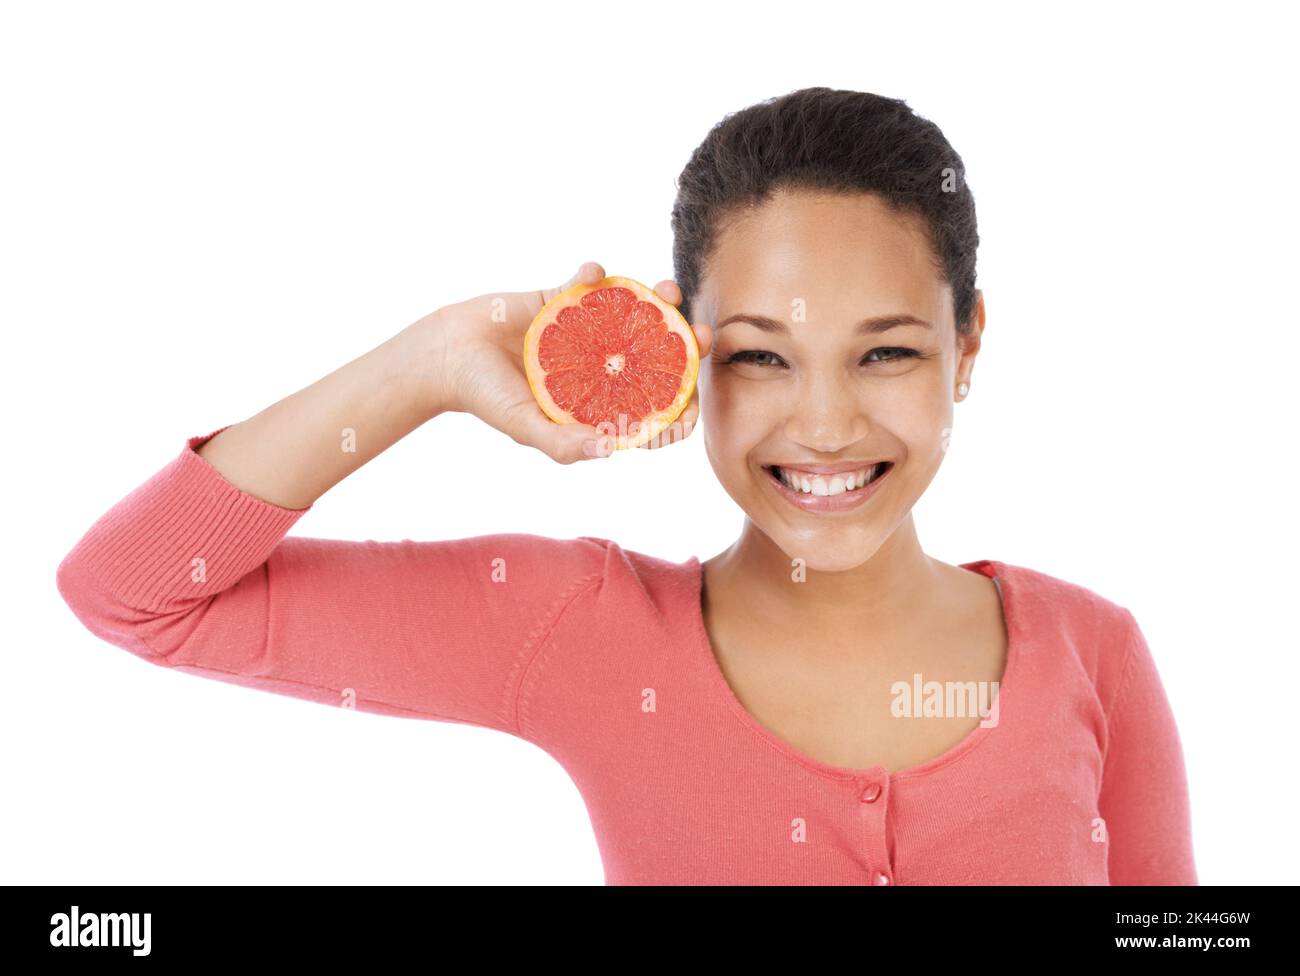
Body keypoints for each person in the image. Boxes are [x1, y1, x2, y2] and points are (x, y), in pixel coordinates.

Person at [55, 87, 1197, 885]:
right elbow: (140, 592)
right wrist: (430, 362)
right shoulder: (581, 629)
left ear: (969, 345)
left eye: (887, 350)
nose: (825, 421)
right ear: (685, 352)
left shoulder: (1092, 651)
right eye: (758, 354)